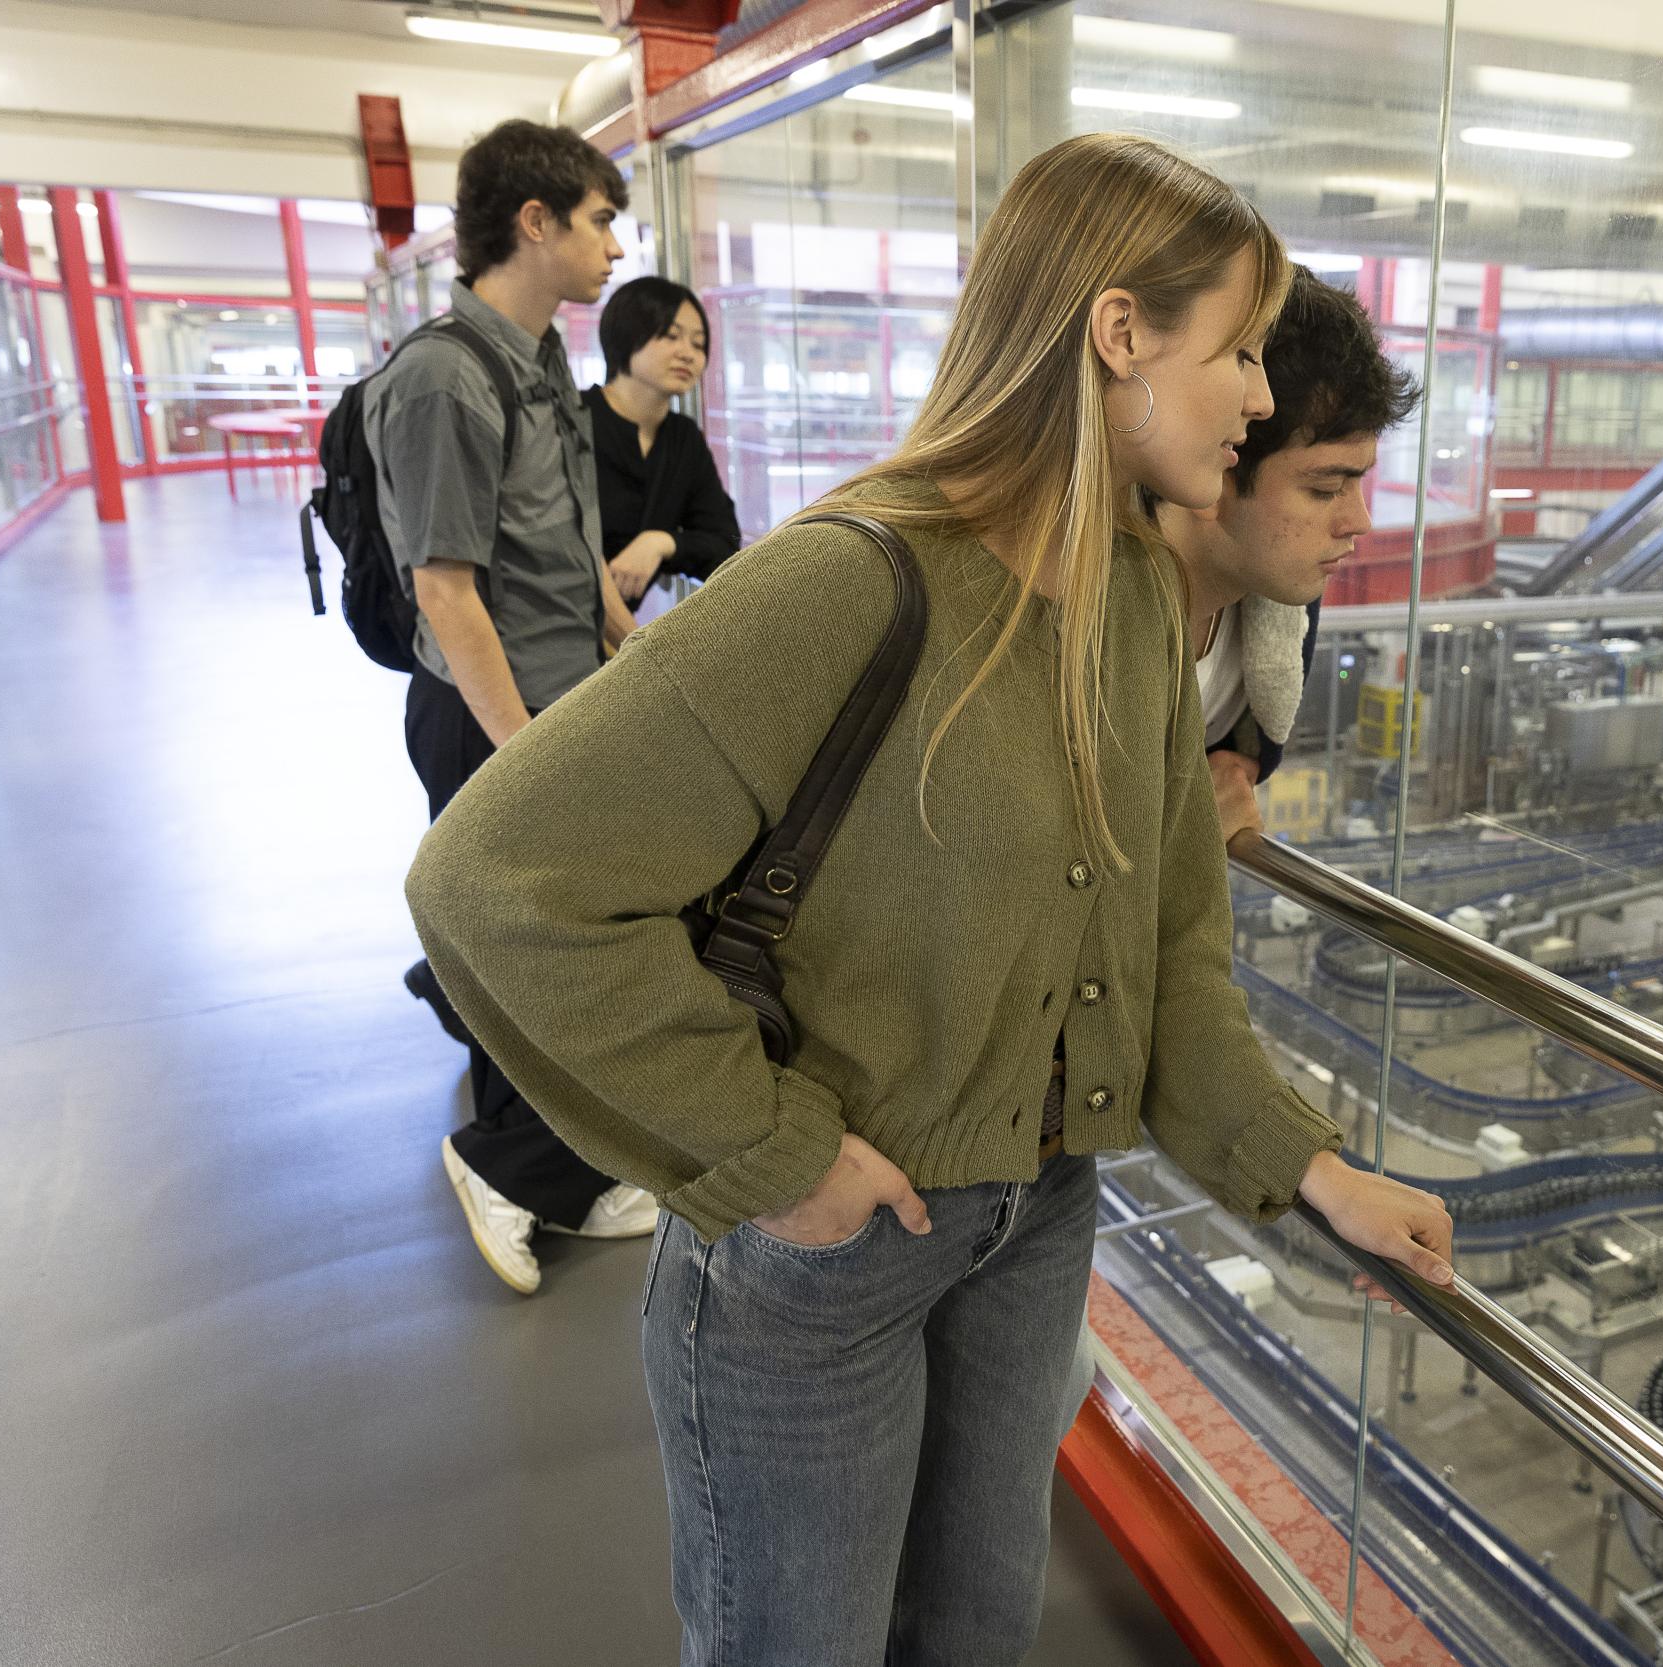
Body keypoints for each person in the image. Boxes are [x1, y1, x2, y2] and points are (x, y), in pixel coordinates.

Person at [404, 132, 1455, 1664]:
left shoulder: (1137, 605)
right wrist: (773, 1151)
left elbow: (1168, 951)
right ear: (1118, 334)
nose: (1253, 396)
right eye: (1235, 351)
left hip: (1037, 1218)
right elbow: (496, 878)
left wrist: (1311, 1165)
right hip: (817, 1264)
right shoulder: (850, 578)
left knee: (975, 1627)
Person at [371, 118, 654, 1293]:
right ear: (534, 222)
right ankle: (507, 1162)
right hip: (493, 716)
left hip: (559, 703)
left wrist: (624, 639)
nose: (615, 247)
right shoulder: (443, 377)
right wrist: (526, 753)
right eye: (599, 221)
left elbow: (561, 539)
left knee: (545, 943)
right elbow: (446, 588)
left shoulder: (539, 361)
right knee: (554, 950)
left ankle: (558, 1166)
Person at [1153, 268, 1419, 841]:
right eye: (1325, 488)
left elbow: (1226, 762)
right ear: (1215, 466)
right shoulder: (1073, 621)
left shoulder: (1282, 596)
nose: (1359, 522)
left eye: (1358, 483)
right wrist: (1176, 824)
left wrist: (1230, 773)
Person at [584, 276, 742, 606]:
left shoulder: (683, 438)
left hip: (614, 628)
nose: (688, 354)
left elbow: (724, 545)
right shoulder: (574, 418)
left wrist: (661, 542)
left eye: (698, 344)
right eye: (671, 336)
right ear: (626, 335)